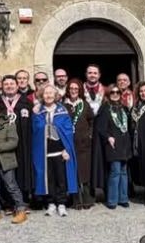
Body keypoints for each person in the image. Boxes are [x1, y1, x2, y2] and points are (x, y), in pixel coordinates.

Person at [31, 84, 76, 217]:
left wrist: (66, 149)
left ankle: (61, 203)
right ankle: (51, 203)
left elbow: (67, 132)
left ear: (56, 96)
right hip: (44, 151)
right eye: (46, 93)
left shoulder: (62, 111)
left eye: (51, 93)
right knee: (48, 179)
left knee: (61, 179)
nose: (49, 95)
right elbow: (35, 131)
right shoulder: (37, 112)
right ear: (41, 96)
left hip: (59, 150)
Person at [94, 86, 133, 209]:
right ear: (108, 94)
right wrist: (108, 137)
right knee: (115, 171)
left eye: (118, 92)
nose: (115, 94)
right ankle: (112, 200)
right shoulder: (105, 108)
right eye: (112, 92)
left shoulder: (124, 108)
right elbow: (100, 127)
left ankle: (123, 198)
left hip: (125, 144)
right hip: (113, 144)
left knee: (124, 172)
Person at [0, 75, 34, 203]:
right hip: (4, 143)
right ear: (2, 87)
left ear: (17, 86)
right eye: (6, 84)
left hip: (23, 144)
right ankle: (8, 201)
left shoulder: (27, 103)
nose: (9, 86)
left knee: (22, 169)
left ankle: (23, 199)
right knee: (6, 170)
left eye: (12, 84)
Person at [63, 79, 96, 209]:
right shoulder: (63, 105)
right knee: (73, 170)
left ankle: (87, 197)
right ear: (68, 90)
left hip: (84, 143)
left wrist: (90, 134)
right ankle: (75, 198)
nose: (73, 91)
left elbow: (92, 121)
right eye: (71, 88)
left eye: (76, 89)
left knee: (85, 170)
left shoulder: (85, 105)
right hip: (69, 143)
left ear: (80, 91)